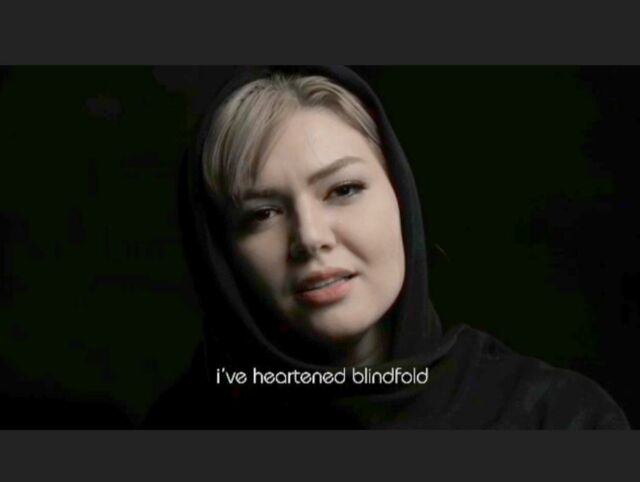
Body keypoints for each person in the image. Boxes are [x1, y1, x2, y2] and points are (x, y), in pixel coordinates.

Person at [143, 66, 629, 429]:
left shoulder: (556, 419)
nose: (310, 237)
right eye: (262, 214)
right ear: (222, 252)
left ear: (401, 197)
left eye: (344, 190)